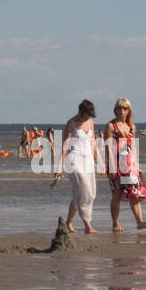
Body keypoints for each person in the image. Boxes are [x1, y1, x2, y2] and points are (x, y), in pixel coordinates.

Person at [104, 98, 146, 231]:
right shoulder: (111, 126)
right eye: (119, 108)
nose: (121, 111)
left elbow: (133, 148)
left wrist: (137, 166)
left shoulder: (132, 127)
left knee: (134, 193)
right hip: (116, 164)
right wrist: (111, 167)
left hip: (129, 164)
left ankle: (139, 221)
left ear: (129, 110)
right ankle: (115, 223)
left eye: (124, 108)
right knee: (117, 194)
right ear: (115, 110)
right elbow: (108, 148)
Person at [56, 100, 98, 234]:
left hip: (89, 159)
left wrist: (100, 162)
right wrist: (59, 167)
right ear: (81, 112)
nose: (88, 118)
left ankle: (68, 222)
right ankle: (88, 224)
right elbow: (65, 147)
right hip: (74, 159)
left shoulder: (90, 123)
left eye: (90, 116)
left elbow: (93, 144)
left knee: (87, 193)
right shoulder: (71, 124)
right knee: (85, 192)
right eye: (86, 115)